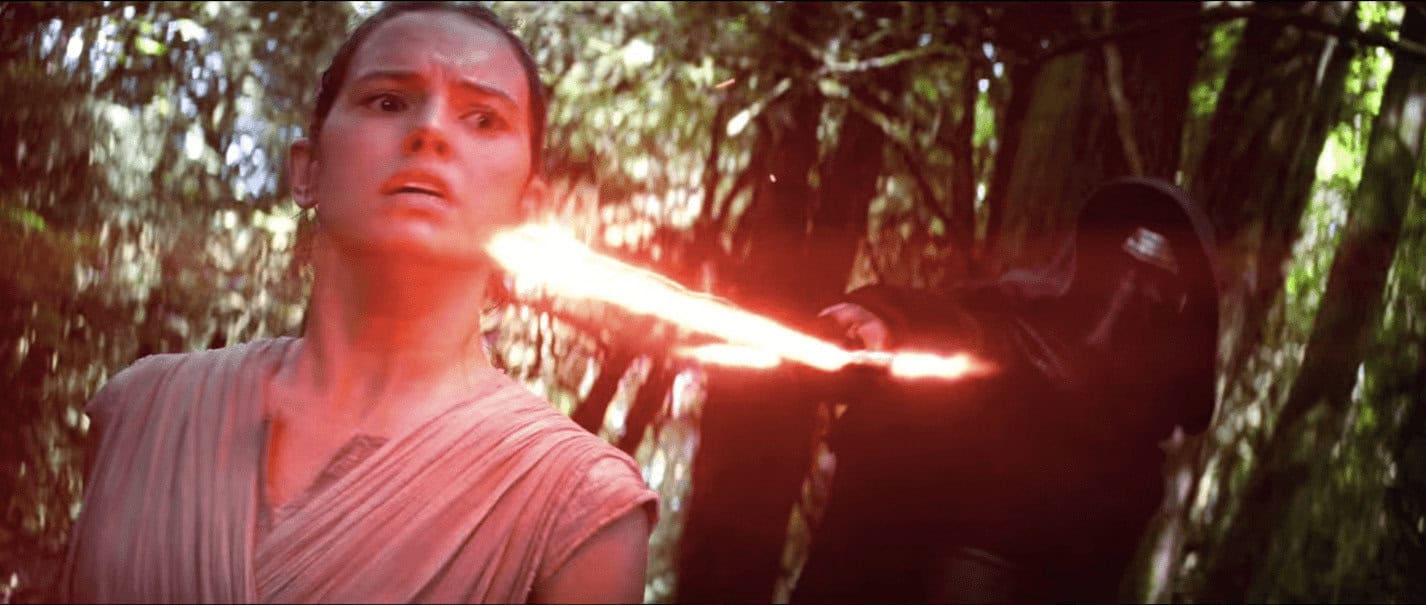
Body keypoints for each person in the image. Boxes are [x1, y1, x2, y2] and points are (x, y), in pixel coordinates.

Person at [60, 3, 657, 602]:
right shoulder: (143, 409)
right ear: (308, 171)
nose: (431, 130)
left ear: (527, 212)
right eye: (388, 101)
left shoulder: (578, 505)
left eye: (482, 118)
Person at [793, 177, 1220, 603]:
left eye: (1157, 285)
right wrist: (884, 321)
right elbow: (970, 332)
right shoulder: (1011, 331)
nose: (1129, 293)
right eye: (1120, 265)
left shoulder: (1131, 474)